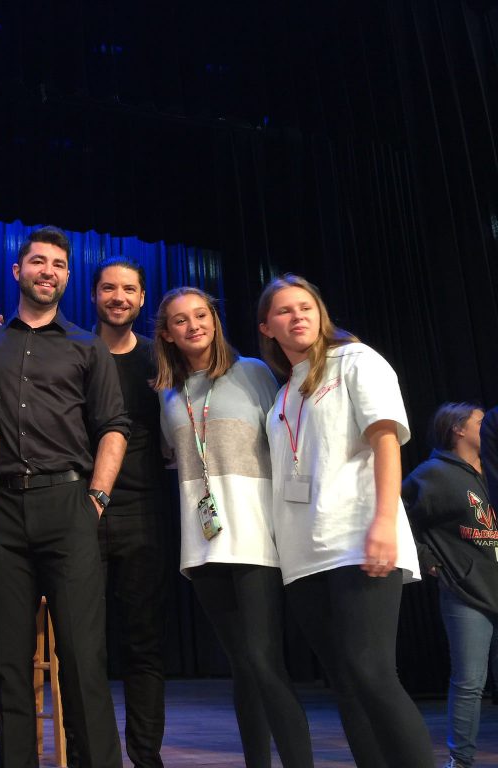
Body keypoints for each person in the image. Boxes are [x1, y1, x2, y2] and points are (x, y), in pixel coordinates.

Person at [257, 273, 433, 768]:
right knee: (348, 684)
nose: (298, 317)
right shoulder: (282, 394)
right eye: (286, 311)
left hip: (357, 537)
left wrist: (383, 522)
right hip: (304, 556)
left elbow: (384, 441)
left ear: (321, 314)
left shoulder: (356, 360)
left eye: (306, 307)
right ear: (267, 326)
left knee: (371, 671)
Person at [0, 226, 128, 768]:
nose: (48, 270)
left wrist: (96, 499)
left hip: (70, 506)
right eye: (38, 261)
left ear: (67, 277)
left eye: (59, 264)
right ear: (17, 271)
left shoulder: (87, 346)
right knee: (10, 662)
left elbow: (114, 426)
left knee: (84, 660)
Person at [155, 286, 312, 768]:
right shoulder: (168, 394)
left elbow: (288, 442)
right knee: (242, 666)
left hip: (255, 537)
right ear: (167, 334)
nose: (193, 325)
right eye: (180, 320)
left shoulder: (255, 374)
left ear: (215, 321)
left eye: (201, 315)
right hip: (202, 548)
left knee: (264, 662)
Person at [89, 258, 167, 768]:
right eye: (109, 288)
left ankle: (145, 755)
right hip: (84, 513)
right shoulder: (76, 351)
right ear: (95, 294)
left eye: (129, 290)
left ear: (141, 299)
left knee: (144, 643)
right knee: (86, 644)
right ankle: (94, 753)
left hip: (145, 513)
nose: (119, 296)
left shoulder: (162, 359)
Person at [404, 403, 496, 768]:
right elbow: (399, 517)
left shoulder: (490, 470)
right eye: (480, 420)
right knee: (471, 681)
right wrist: (430, 561)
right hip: (467, 592)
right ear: (458, 429)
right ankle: (461, 760)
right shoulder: (433, 475)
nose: (487, 426)